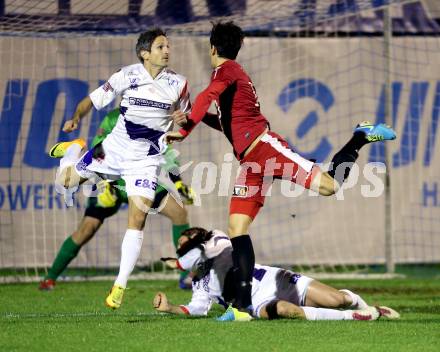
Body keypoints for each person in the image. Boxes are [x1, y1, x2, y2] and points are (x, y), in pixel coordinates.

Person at [165, 21, 397, 321]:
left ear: (212, 47)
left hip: (266, 148)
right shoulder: (230, 77)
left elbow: (205, 97)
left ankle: (360, 137)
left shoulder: (227, 71)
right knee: (237, 229)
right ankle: (241, 308)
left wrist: (184, 128)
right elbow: (225, 121)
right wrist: (192, 122)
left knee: (330, 187)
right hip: (250, 163)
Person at [49, 28, 191, 309]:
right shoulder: (127, 75)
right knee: (65, 182)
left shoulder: (179, 83)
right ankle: (74, 149)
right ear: (144, 53)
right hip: (112, 151)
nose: (167, 51)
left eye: (168, 46)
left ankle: (119, 286)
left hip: (146, 161)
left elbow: (187, 121)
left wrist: (183, 119)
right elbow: (91, 100)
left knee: (138, 219)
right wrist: (76, 116)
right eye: (161, 46)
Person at [40, 109, 195, 291]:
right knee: (86, 229)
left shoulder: (154, 116)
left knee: (179, 212)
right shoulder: (114, 117)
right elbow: (99, 148)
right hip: (112, 182)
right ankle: (50, 278)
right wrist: (103, 183)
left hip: (138, 178)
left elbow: (166, 153)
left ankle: (186, 276)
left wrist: (178, 183)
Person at [154, 227, 400, 321]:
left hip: (277, 280)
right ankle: (356, 316)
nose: (182, 251)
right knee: (284, 310)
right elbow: (196, 308)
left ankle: (356, 302)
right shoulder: (200, 283)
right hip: (257, 302)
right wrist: (170, 307)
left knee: (337, 299)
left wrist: (181, 262)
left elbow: (221, 246)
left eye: (186, 246)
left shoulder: (217, 240)